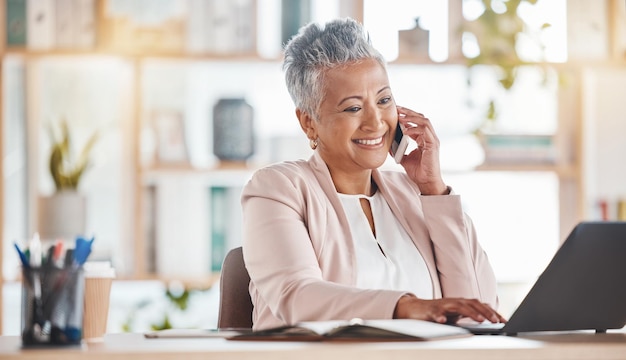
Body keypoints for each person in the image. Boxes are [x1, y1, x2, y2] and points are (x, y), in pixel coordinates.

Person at [241, 17, 505, 330]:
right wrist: (406, 306)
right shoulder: (278, 189)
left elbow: (478, 312)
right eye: (353, 108)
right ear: (308, 122)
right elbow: (297, 297)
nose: (376, 122)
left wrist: (433, 191)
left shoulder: (416, 194)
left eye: (384, 100)